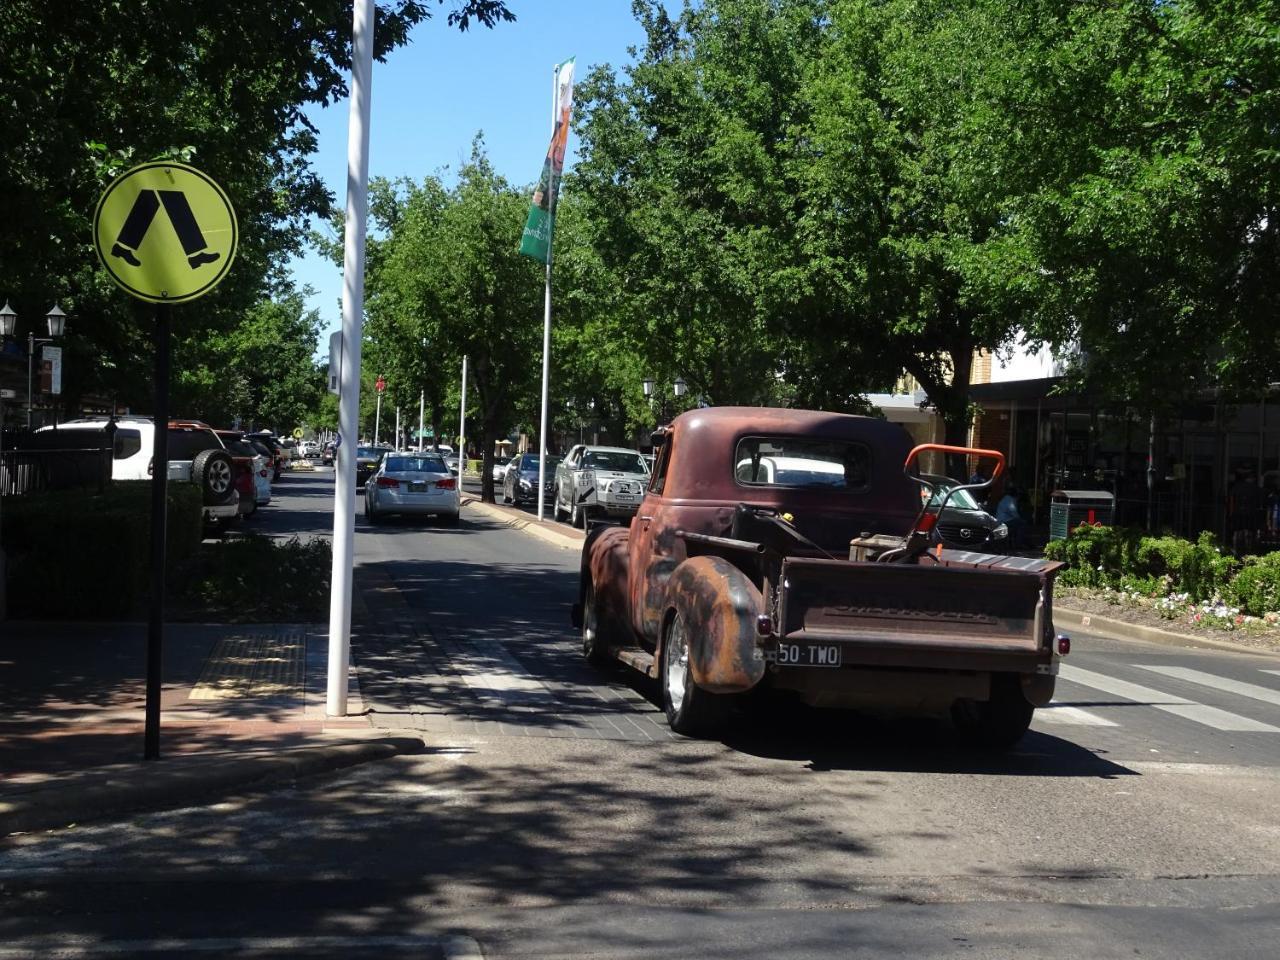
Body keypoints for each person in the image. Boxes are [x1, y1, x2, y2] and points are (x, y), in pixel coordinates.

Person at [995, 484, 1025, 550]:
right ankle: (1019, 544)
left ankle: (1019, 542)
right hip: (1005, 522)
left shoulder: (1005, 498)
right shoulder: (1011, 500)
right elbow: (1014, 512)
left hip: (1001, 521)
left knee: (1019, 523)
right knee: (1022, 524)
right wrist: (1020, 519)